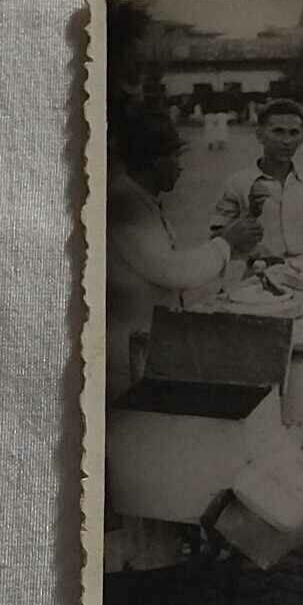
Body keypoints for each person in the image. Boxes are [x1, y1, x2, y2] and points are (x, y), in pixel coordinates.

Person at [106, 111, 262, 571]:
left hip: (143, 344)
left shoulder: (140, 197)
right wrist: (227, 245)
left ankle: (157, 547)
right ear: (151, 161)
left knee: (148, 452)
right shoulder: (127, 203)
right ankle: (142, 561)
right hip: (123, 354)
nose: (181, 169)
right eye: (175, 158)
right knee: (142, 456)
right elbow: (169, 270)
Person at [210, 98, 303, 260]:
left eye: (294, 133)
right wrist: (247, 218)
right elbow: (216, 239)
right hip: (259, 276)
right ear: (260, 135)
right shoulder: (237, 183)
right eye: (278, 131)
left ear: (302, 138)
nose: (286, 141)